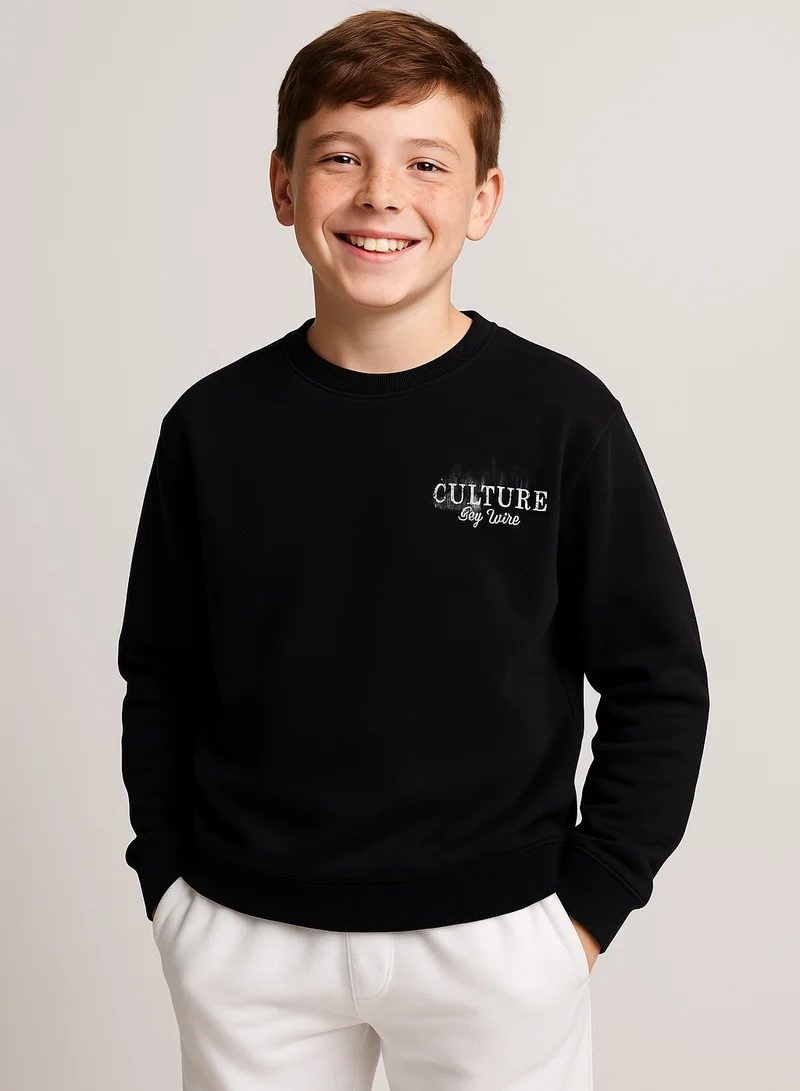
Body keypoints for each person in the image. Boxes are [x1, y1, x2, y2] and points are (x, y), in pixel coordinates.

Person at [117, 9, 710, 1090]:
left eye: (426, 163)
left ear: (483, 198)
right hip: (248, 938)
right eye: (340, 157)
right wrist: (170, 886)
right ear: (282, 186)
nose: (380, 194)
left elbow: (658, 679)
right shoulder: (212, 426)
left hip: (497, 939)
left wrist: (586, 908)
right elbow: (162, 672)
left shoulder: (562, 419)